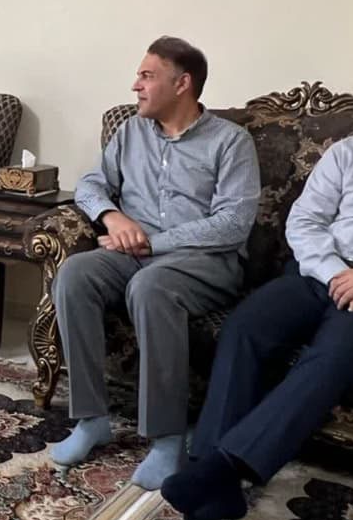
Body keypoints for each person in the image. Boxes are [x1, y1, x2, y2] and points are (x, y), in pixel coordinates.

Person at [163, 54, 353, 520]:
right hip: (322, 273)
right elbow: (304, 222)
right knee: (246, 326)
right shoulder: (347, 153)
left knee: (333, 355)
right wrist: (338, 273)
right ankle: (213, 478)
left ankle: (222, 468)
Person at [49, 36, 261, 489]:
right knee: (74, 275)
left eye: (147, 76)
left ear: (182, 83)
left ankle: (167, 439)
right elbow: (90, 184)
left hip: (204, 261)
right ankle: (91, 419)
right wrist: (112, 216)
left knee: (151, 287)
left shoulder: (230, 141)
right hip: (134, 252)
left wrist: (153, 243)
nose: (136, 86)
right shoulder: (130, 132)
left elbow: (233, 224)